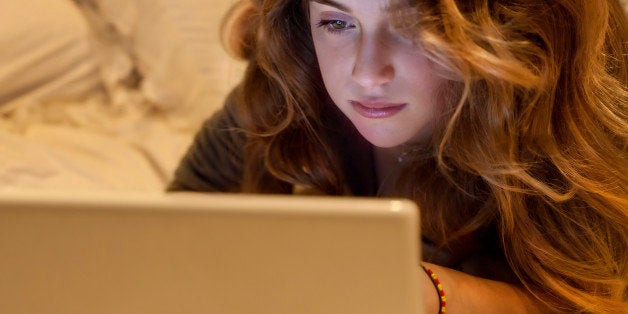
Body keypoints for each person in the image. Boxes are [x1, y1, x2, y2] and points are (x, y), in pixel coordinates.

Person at [169, 0, 628, 312]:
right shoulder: (288, 91)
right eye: (337, 22)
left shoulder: (571, 124)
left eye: (415, 26)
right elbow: (171, 227)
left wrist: (429, 292)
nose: (367, 74)